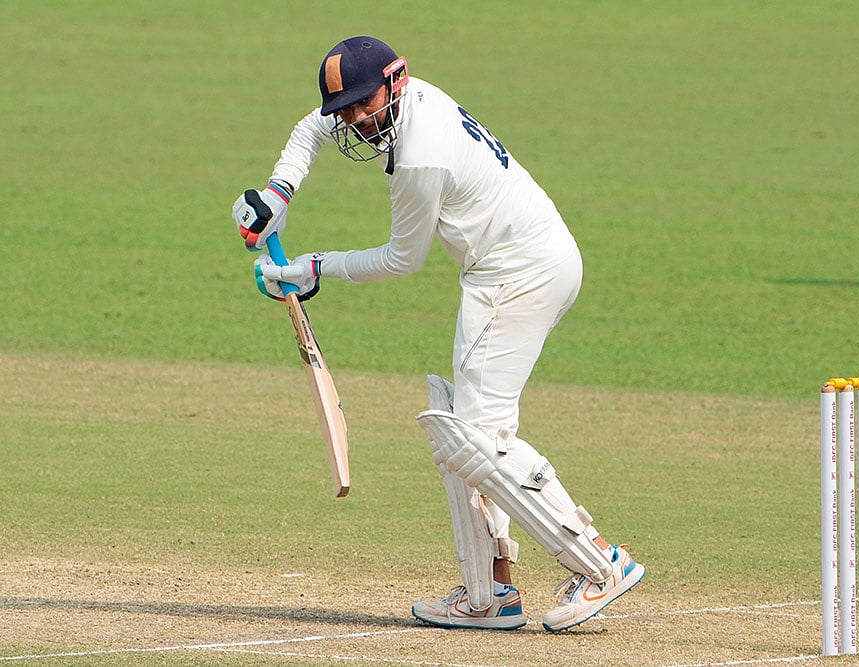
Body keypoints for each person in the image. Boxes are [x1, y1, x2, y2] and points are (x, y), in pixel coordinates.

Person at [232, 36, 644, 632]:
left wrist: (311, 268)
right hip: (510, 268)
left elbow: (403, 258)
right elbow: (309, 129)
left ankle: (601, 562)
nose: (353, 119)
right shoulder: (403, 104)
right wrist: (278, 192)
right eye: (343, 108)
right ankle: (490, 594)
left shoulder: (419, 154)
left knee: (473, 438)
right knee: (471, 433)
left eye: (360, 103)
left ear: (395, 80)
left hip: (519, 274)